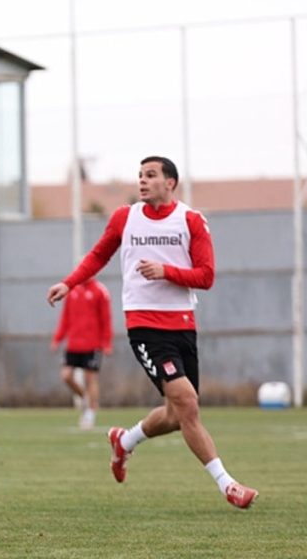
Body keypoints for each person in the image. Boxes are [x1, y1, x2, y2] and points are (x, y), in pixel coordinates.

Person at [46, 156, 258, 509]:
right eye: (140, 175)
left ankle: (124, 441)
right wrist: (69, 283)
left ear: (170, 182)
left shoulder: (191, 220)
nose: (142, 181)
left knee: (177, 415)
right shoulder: (124, 218)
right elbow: (99, 255)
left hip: (183, 325)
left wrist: (166, 271)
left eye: (150, 175)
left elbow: (206, 276)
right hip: (145, 326)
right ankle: (228, 485)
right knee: (188, 405)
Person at [50, 278, 112, 429]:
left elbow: (106, 319)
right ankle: (85, 398)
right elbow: (65, 318)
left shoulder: (100, 291)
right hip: (74, 344)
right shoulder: (71, 291)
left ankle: (91, 412)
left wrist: (106, 343)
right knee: (66, 376)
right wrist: (58, 338)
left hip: (93, 345)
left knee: (91, 379)